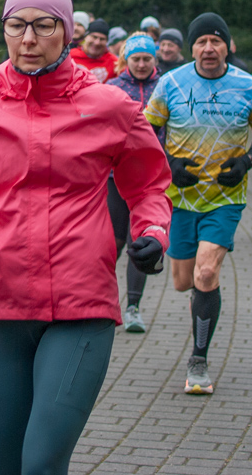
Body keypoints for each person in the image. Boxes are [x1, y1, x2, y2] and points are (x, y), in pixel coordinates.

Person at [0, 0, 172, 475]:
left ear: (67, 32)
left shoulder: (110, 107)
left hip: (80, 305)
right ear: (5, 30)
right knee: (1, 466)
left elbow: (147, 185)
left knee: (40, 464)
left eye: (43, 26)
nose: (28, 39)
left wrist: (152, 233)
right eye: (17, 26)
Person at [144, 13, 252, 395]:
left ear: (227, 47)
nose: (209, 48)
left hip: (225, 198)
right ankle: (200, 300)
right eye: (201, 42)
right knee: (184, 282)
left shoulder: (248, 86)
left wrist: (246, 162)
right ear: (192, 48)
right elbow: (146, 132)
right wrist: (169, 164)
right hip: (181, 198)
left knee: (205, 274)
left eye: (216, 41)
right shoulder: (170, 83)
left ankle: (198, 360)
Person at [106, 33, 165, 333]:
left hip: (148, 179)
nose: (141, 65)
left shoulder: (164, 87)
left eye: (147, 59)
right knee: (111, 242)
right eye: (136, 59)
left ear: (155, 60)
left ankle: (133, 307)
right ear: (125, 61)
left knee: (138, 240)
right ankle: (106, 299)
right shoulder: (112, 88)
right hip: (115, 179)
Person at [69, 18, 117, 83]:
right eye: (94, 37)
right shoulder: (70, 56)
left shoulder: (114, 62)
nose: (97, 43)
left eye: (102, 39)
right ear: (86, 37)